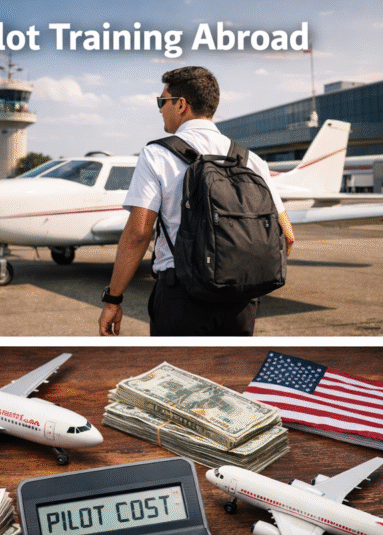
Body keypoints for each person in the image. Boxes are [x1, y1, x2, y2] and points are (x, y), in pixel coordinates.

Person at [98, 66, 295, 336]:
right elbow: (287, 235)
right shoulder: (252, 160)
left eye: (161, 102)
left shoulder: (156, 154)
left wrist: (113, 298)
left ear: (181, 105)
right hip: (241, 302)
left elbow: (138, 233)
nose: (159, 110)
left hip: (182, 296)